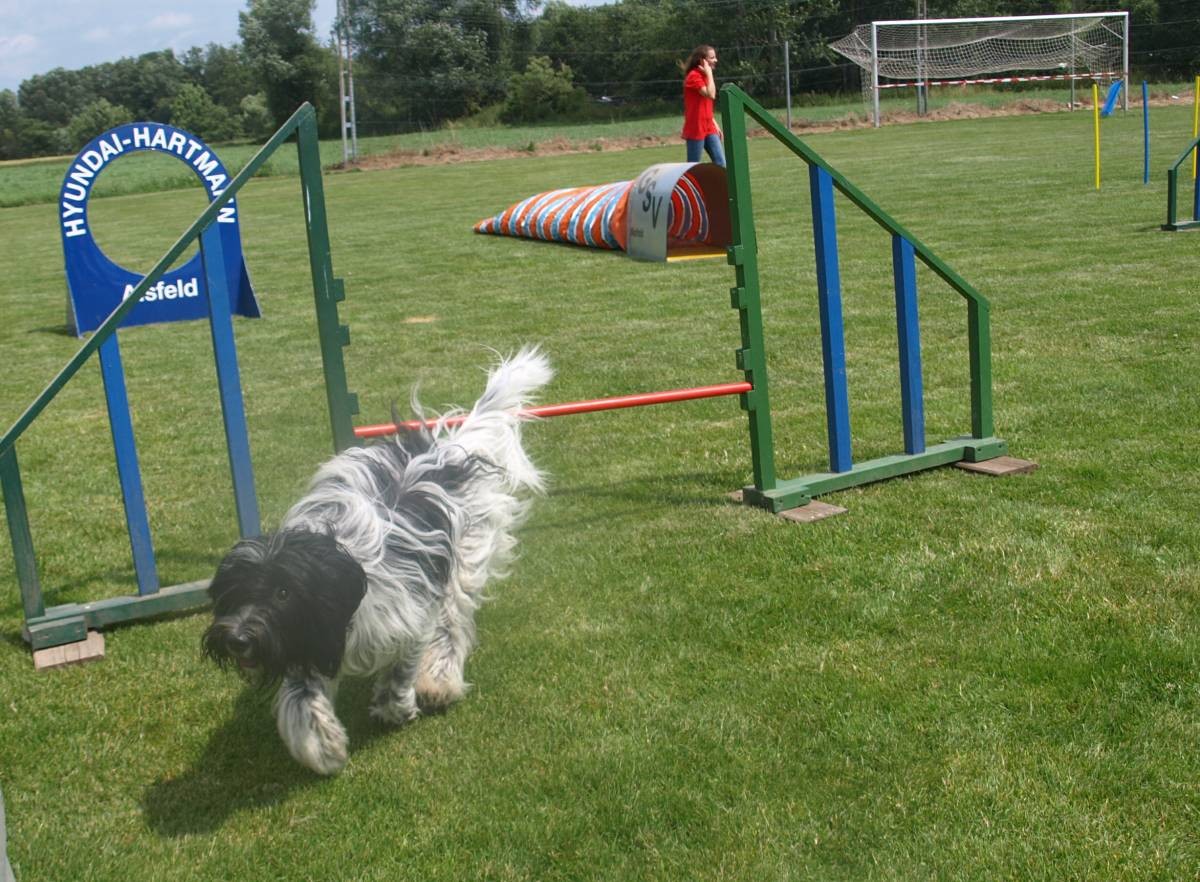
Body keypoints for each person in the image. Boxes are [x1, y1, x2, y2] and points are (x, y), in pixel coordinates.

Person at [681, 44, 725, 167]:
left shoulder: (705, 76)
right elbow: (711, 94)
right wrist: (710, 74)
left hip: (708, 125)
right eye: (712, 57)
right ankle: (687, 186)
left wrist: (714, 122)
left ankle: (720, 186)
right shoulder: (694, 76)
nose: (715, 60)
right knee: (693, 166)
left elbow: (706, 104)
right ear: (702, 60)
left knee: (721, 164)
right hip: (696, 126)